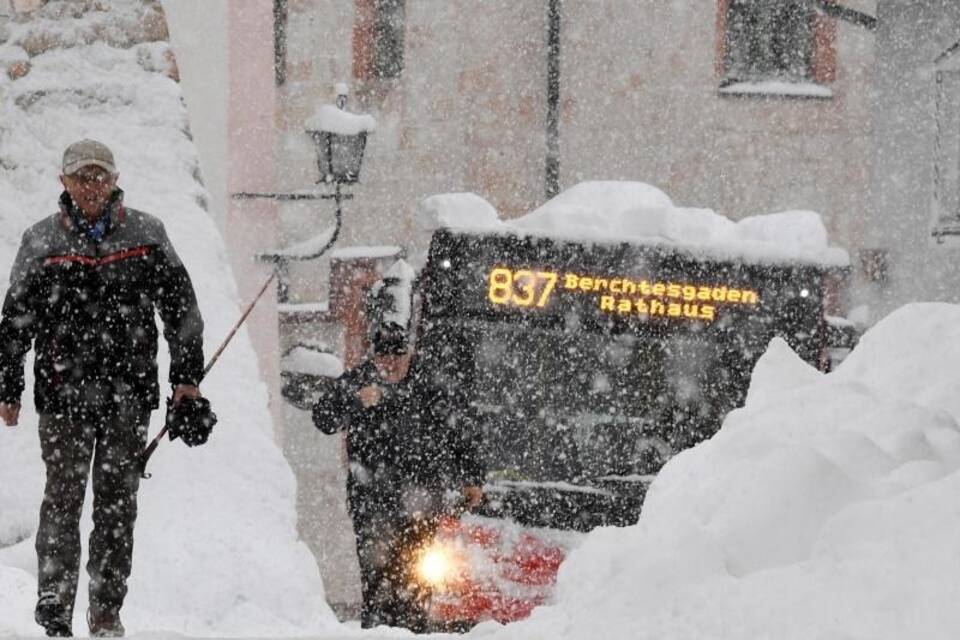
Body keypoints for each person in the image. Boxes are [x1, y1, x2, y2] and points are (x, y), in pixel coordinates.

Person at [0, 139, 206, 637]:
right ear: (64, 182)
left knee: (116, 503)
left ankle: (106, 608)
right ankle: (54, 603)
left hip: (128, 397)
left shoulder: (147, 234)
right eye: (81, 177)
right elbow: (15, 321)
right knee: (63, 498)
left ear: (114, 179)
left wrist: (187, 381)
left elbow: (181, 312)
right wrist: (9, 386)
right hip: (62, 395)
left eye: (100, 176)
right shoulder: (41, 241)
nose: (92, 186)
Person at [312, 321, 485, 631]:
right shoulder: (359, 380)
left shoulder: (430, 383)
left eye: (398, 357)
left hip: (422, 504)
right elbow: (323, 418)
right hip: (372, 504)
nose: (390, 365)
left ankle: (413, 631)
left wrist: (471, 477)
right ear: (374, 356)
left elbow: (460, 430)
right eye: (383, 358)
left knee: (418, 584)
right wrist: (354, 400)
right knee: (377, 586)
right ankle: (377, 630)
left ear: (410, 354)